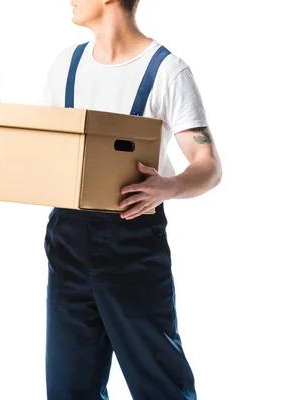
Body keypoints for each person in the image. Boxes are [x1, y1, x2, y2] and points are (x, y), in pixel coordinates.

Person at [41, 0, 222, 399]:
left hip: (133, 243)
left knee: (158, 384)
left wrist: (169, 187)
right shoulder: (66, 65)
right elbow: (46, 153)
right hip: (67, 240)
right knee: (69, 389)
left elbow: (208, 164)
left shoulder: (166, 71)